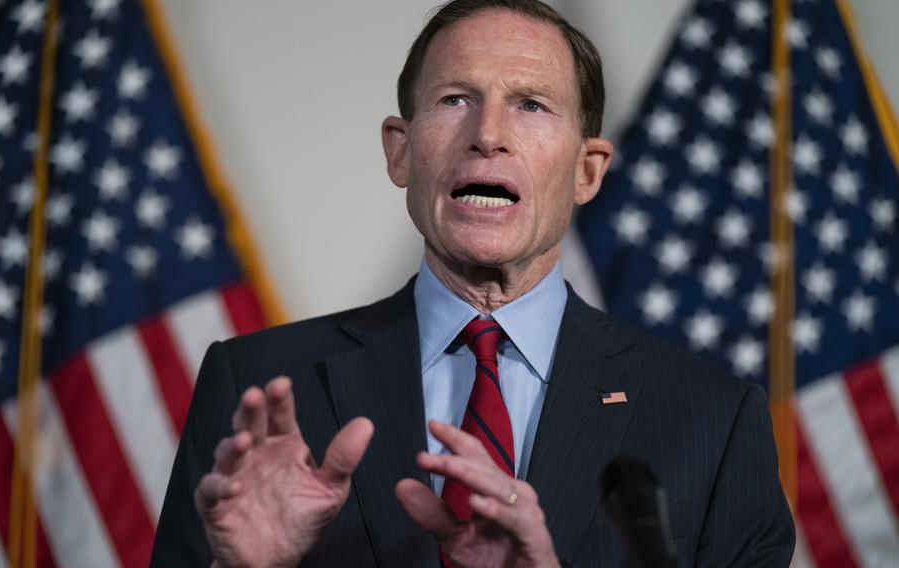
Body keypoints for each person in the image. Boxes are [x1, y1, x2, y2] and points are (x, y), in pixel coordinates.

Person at [151, 0, 795, 566]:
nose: (487, 136)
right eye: (455, 99)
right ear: (400, 151)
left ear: (587, 171)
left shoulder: (713, 419)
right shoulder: (253, 383)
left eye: (531, 105)